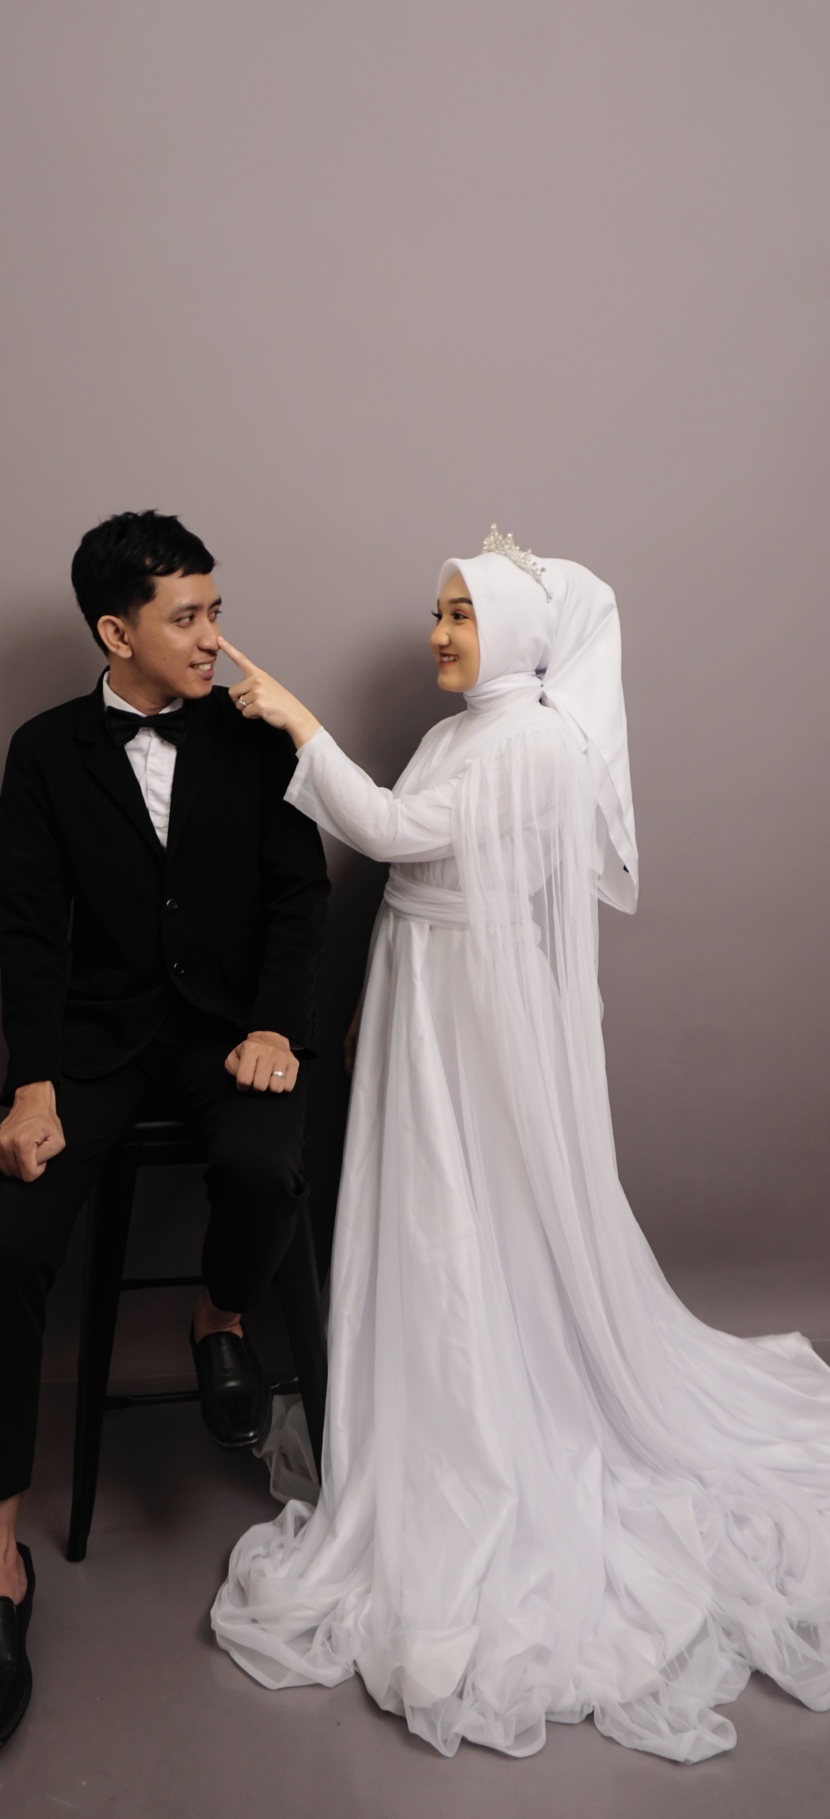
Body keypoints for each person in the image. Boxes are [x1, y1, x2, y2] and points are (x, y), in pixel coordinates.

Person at [210, 529, 830, 1763]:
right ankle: (424, 1397)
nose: (438, 634)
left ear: (518, 634)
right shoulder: (466, 729)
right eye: (437, 612)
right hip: (424, 987)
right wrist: (369, 993)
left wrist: (297, 721)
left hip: (471, 1012)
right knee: (427, 1205)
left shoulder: (537, 740)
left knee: (462, 1209)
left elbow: (392, 832)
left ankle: (482, 1418)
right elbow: (417, 872)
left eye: (461, 615)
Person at [0, 510, 330, 1756]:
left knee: (262, 1167)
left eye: (217, 610)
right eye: (188, 617)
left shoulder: (253, 732)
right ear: (117, 633)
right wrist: (32, 1085)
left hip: (226, 1033)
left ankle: (218, 1318)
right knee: (7, 1250)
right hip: (94, 1048)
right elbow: (27, 930)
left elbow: (300, 894)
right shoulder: (43, 752)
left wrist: (275, 1025)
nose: (215, 636)